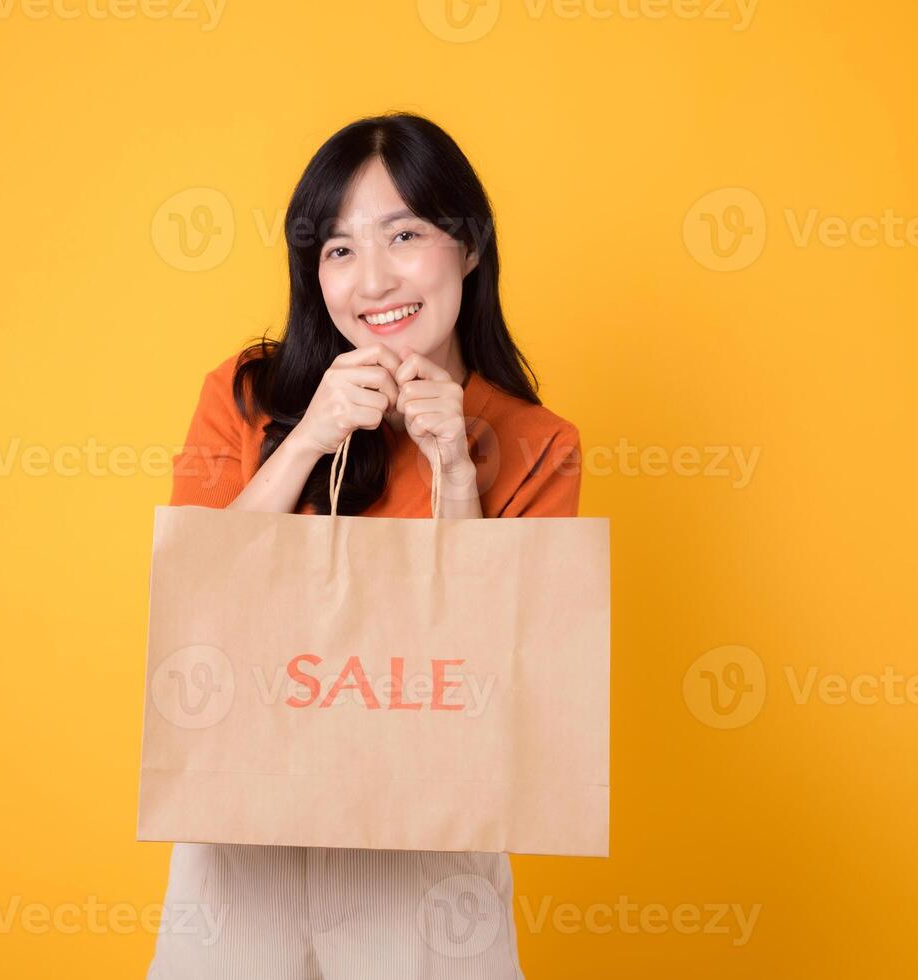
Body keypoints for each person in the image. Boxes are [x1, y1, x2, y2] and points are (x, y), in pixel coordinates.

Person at [148, 112, 582, 979]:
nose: (371, 278)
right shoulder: (247, 393)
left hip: (427, 853)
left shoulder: (538, 443)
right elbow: (195, 590)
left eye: (404, 235)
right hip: (245, 835)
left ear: (467, 247)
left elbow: (506, 668)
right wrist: (305, 440)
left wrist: (456, 472)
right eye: (339, 248)